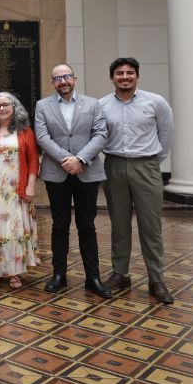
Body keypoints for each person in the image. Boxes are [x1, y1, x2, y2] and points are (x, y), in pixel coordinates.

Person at [100, 57, 175, 304]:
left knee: (151, 227)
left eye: (130, 73)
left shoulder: (156, 102)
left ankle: (156, 279)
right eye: (119, 73)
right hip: (114, 167)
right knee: (119, 225)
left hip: (147, 167)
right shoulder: (101, 105)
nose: (125, 77)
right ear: (112, 78)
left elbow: (166, 135)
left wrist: (152, 162)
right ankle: (120, 273)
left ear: (137, 76)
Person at [35, 64, 113, 299]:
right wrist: (65, 160)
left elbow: (101, 134)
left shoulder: (93, 104)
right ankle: (59, 275)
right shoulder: (42, 105)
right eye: (57, 78)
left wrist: (80, 159)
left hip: (86, 171)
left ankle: (93, 277)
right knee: (59, 225)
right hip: (56, 173)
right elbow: (42, 136)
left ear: (74, 79)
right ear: (53, 82)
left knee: (87, 226)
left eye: (66, 76)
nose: (63, 81)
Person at [0, 92, 41, 289]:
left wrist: (29, 185)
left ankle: (14, 271)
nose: (2, 108)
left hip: (15, 191)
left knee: (14, 230)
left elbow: (33, 160)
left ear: (14, 107)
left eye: (6, 104)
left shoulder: (24, 131)